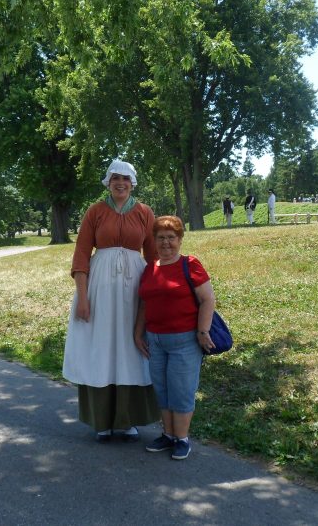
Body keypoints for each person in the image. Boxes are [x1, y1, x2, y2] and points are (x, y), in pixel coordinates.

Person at [62, 160, 159, 442]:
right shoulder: (95, 211)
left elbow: (154, 257)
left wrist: (156, 294)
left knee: (129, 349)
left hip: (133, 290)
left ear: (133, 183)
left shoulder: (144, 213)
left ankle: (127, 421)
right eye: (116, 178)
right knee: (102, 348)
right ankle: (101, 420)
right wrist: (83, 297)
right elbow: (81, 256)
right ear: (108, 181)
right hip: (99, 289)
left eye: (126, 179)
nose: (121, 183)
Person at [135, 215, 216, 461]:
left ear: (180, 240)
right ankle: (168, 435)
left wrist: (203, 331)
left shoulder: (190, 264)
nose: (166, 243)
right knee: (162, 390)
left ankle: (182, 439)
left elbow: (207, 300)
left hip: (185, 340)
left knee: (181, 390)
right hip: (155, 340)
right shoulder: (150, 268)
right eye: (161, 238)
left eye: (171, 237)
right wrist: (138, 333)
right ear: (154, 240)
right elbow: (144, 304)